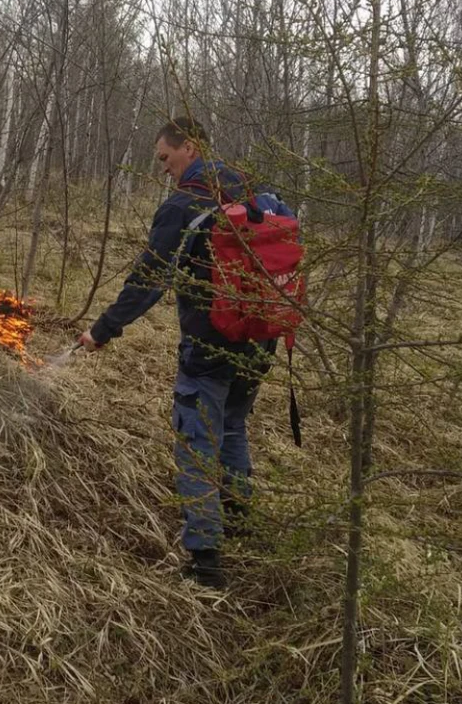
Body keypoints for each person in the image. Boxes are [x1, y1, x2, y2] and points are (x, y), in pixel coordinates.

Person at [79, 116, 293, 590]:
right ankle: (239, 518)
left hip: (210, 343)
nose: (163, 169)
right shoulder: (256, 189)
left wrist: (103, 329)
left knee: (196, 442)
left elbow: (150, 278)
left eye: (164, 157)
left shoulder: (185, 203)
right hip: (261, 339)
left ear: (190, 148)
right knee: (234, 425)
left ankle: (205, 560)